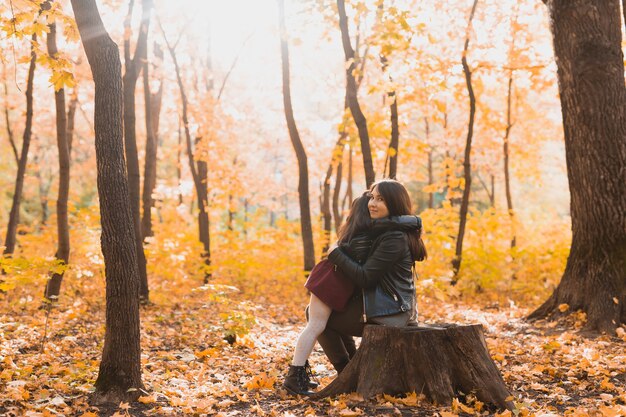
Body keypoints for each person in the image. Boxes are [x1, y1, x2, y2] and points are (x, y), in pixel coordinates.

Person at [318, 179, 426, 374]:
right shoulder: (385, 229)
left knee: (319, 318)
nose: (372, 204)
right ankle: (351, 371)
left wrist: (335, 254)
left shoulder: (395, 237)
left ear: (394, 204)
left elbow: (366, 277)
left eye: (381, 199)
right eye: (372, 197)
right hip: (383, 304)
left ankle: (347, 372)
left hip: (392, 312)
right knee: (320, 313)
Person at [283, 194, 371, 396]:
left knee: (316, 324)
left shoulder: (353, 233)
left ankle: (301, 376)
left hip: (329, 281)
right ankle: (294, 379)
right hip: (330, 283)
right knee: (315, 325)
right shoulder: (362, 238)